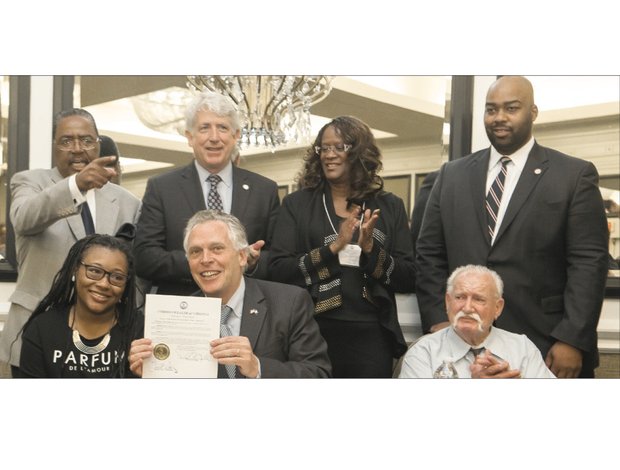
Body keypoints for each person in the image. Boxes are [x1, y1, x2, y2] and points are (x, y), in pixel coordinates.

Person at [415, 76, 609, 378]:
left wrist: (572, 338)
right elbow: (428, 254)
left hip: (546, 344)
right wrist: (440, 321)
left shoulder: (573, 176)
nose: (499, 118)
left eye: (511, 108)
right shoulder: (451, 175)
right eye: (491, 110)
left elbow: (588, 263)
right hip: (461, 342)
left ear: (532, 112)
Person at [268, 116, 415, 378]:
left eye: (339, 147)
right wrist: (333, 248)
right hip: (309, 330)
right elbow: (278, 271)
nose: (329, 155)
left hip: (372, 333)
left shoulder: (390, 206)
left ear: (359, 152)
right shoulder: (296, 204)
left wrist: (371, 250)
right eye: (324, 148)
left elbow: (409, 277)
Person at [0, 108, 141, 377]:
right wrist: (76, 185)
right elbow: (24, 218)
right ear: (54, 146)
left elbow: (133, 270)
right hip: (35, 335)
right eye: (66, 141)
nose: (77, 149)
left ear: (98, 144)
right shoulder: (29, 182)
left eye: (87, 140)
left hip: (105, 342)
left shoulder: (128, 202)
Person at [129, 210, 331, 378]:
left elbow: (318, 373)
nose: (206, 259)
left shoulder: (289, 302)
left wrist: (258, 368)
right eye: (196, 251)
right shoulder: (172, 317)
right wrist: (150, 374)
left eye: (217, 249)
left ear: (242, 256)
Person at [134, 91, 280, 296]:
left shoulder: (264, 190)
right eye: (204, 128)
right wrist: (208, 263)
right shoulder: (162, 188)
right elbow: (144, 257)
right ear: (190, 137)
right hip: (183, 309)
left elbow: (278, 258)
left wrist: (253, 263)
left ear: (236, 135)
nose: (214, 137)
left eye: (222, 127)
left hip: (248, 309)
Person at [18, 235, 143, 378]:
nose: (104, 284)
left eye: (117, 277)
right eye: (95, 271)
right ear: (74, 270)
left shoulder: (141, 330)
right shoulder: (42, 329)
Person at [399, 265, 555, 378]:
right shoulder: (423, 352)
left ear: (497, 308)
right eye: (460, 297)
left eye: (479, 299)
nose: (467, 308)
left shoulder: (522, 349)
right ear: (448, 302)